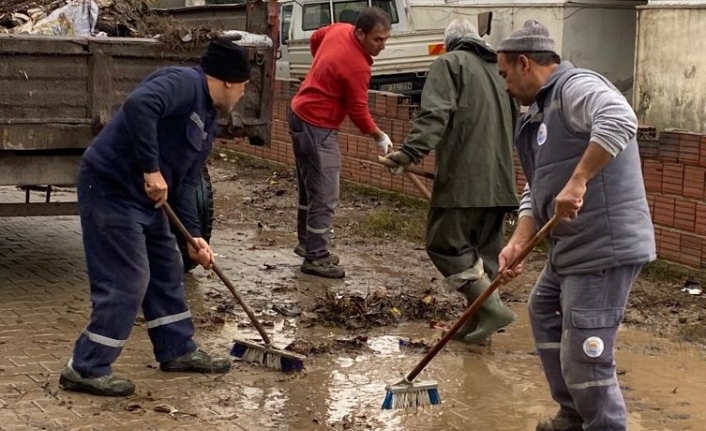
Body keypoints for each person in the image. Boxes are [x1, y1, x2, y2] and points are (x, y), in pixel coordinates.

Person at [59, 39, 251, 397]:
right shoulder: (183, 83)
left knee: (167, 267)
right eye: (243, 86)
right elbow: (139, 104)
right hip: (111, 189)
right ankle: (85, 367)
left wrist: (194, 237)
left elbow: (187, 182)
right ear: (228, 80)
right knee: (128, 278)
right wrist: (151, 169)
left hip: (146, 202)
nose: (242, 94)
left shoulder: (208, 120)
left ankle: (177, 349)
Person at [495, 20, 656, 431]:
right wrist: (517, 241)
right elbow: (538, 188)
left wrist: (579, 179)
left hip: (604, 244)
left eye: (505, 73)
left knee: (587, 351)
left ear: (525, 63)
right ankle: (573, 413)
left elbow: (621, 118)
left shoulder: (574, 89)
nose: (505, 84)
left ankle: (604, 425)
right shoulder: (533, 118)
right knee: (543, 309)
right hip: (571, 245)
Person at [384, 18, 518, 345]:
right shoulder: (499, 72)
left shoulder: (449, 64)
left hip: (464, 183)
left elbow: (435, 114)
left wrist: (408, 153)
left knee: (444, 245)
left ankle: (492, 311)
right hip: (500, 184)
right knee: (484, 257)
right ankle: (479, 329)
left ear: (448, 44)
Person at [289, 7, 394, 279]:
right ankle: (317, 257)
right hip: (317, 126)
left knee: (309, 188)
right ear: (360, 32)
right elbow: (358, 111)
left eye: (385, 39)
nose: (382, 46)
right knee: (325, 193)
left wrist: (323, 69)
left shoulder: (339, 30)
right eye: (377, 40)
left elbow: (316, 38)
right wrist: (379, 136)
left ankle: (307, 243)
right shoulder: (357, 66)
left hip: (299, 114)